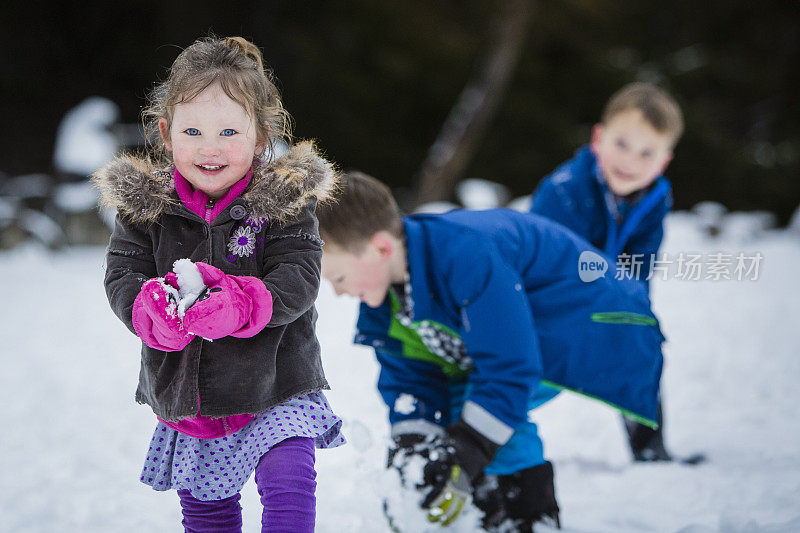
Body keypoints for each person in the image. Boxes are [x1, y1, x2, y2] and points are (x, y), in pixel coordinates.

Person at [317, 171, 666, 531]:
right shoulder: (388, 292)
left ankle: (528, 515)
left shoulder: (466, 256)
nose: (339, 293)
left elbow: (510, 371)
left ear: (381, 248)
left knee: (486, 406)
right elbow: (413, 375)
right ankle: (482, 507)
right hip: (532, 334)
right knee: (470, 409)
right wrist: (415, 446)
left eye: (339, 277)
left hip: (601, 320)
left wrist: (469, 448)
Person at [92, 36, 344, 533]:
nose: (210, 148)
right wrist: (151, 311)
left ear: (260, 136)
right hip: (192, 399)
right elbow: (123, 275)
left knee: (289, 488)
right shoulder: (146, 209)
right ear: (166, 134)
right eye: (193, 131)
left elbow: (300, 274)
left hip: (276, 384)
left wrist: (245, 304)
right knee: (209, 515)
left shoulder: (284, 200)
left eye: (229, 131)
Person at [529, 82, 684, 462]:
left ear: (664, 161)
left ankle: (649, 448)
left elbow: (640, 264)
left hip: (606, 292)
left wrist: (633, 312)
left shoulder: (655, 199)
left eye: (647, 152)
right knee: (535, 370)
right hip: (546, 301)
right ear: (598, 138)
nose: (630, 161)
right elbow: (547, 261)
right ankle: (481, 422)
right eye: (622, 144)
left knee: (638, 341)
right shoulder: (564, 190)